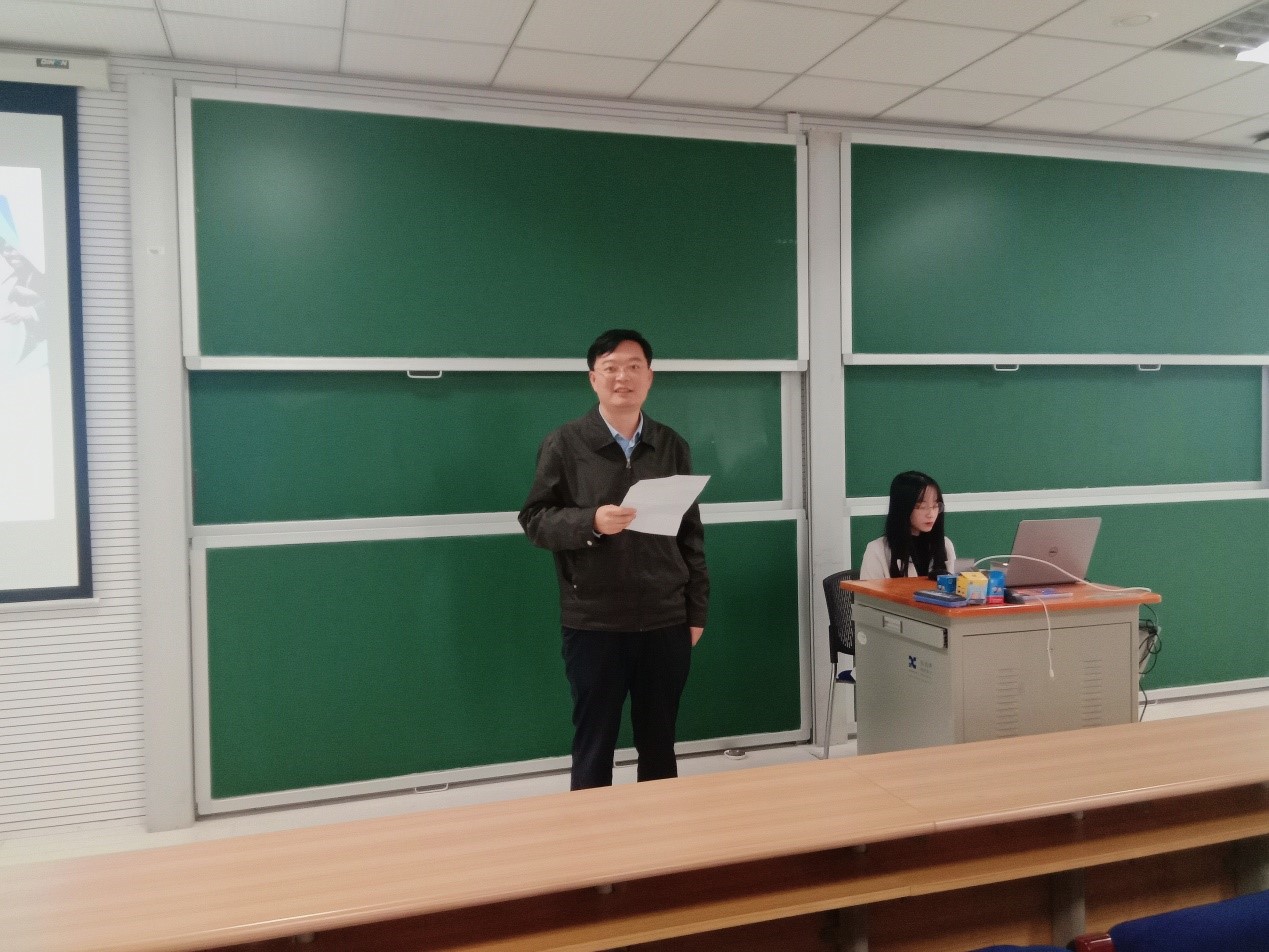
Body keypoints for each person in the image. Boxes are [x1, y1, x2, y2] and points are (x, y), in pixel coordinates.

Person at [519, 329, 708, 790]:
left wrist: (696, 610)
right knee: (594, 743)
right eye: (611, 368)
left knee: (660, 742)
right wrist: (591, 522)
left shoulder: (671, 444)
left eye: (634, 367)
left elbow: (691, 534)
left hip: (665, 618)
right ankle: (591, 831)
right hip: (595, 621)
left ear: (650, 377)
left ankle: (658, 829)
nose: (623, 377)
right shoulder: (564, 443)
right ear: (593, 378)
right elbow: (535, 520)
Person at [858, 470, 955, 580]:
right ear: (903, 508)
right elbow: (868, 591)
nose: (931, 514)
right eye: (922, 506)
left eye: (935, 505)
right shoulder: (877, 550)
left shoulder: (945, 545)